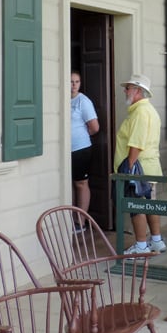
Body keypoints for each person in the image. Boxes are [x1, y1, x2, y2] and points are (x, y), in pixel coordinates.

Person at [114, 74, 166, 256]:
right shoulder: (148, 110)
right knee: (150, 204)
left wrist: (128, 169)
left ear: (137, 91)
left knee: (137, 207)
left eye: (128, 88)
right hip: (149, 166)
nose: (124, 91)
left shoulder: (140, 112)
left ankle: (142, 245)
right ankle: (156, 241)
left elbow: (136, 144)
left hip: (138, 168)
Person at [70, 71, 99, 222]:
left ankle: (80, 221)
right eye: (70, 81)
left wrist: (79, 135)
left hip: (81, 149)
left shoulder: (83, 101)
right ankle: (71, 220)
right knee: (69, 184)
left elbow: (94, 127)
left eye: (77, 82)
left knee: (81, 184)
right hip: (66, 151)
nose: (73, 85)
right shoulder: (62, 99)